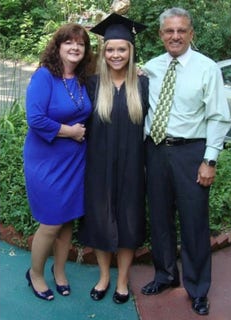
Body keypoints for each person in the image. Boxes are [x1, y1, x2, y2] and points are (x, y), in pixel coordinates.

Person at [139, 7, 231, 316]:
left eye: (181, 31)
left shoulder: (207, 69)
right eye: (169, 31)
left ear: (191, 34)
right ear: (161, 35)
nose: (175, 36)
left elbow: (218, 117)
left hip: (191, 153)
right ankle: (165, 275)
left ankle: (197, 288)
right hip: (155, 151)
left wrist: (210, 160)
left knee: (193, 223)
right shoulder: (150, 68)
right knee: (160, 219)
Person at [76, 13, 148, 304]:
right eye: (110, 49)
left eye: (122, 49)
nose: (116, 54)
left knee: (129, 223)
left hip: (133, 168)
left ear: (131, 52)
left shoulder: (143, 86)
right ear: (103, 52)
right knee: (101, 222)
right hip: (99, 168)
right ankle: (104, 276)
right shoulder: (93, 85)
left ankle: (122, 280)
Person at [23, 23, 93, 301]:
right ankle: (36, 274)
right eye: (69, 43)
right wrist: (71, 132)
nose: (75, 47)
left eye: (81, 44)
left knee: (67, 222)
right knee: (51, 222)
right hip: (45, 160)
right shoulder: (44, 76)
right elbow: (36, 118)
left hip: (74, 160)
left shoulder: (82, 78)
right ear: (59, 46)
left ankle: (59, 271)